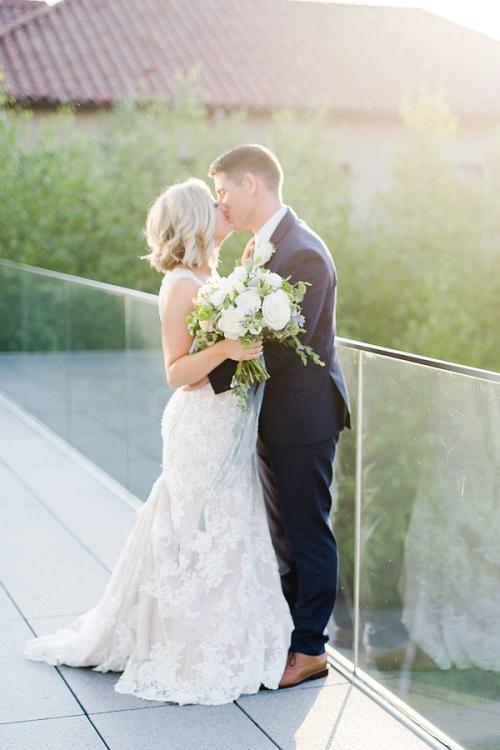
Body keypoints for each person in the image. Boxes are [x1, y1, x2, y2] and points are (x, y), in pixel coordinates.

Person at [24, 177, 294, 706]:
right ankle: (188, 645)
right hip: (200, 425)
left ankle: (234, 636)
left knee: (229, 517)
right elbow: (177, 371)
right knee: (193, 526)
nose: (224, 209)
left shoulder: (208, 275)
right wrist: (231, 349)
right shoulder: (181, 285)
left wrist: (247, 284)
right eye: (214, 205)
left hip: (226, 420)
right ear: (195, 219)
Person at [207, 144, 351, 688]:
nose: (221, 202)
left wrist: (209, 376)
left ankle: (311, 648)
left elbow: (290, 348)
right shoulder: (261, 249)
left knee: (308, 528)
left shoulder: (303, 252)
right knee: (283, 531)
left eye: (223, 190)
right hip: (273, 417)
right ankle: (289, 632)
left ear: (251, 184)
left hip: (303, 418)